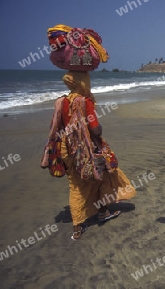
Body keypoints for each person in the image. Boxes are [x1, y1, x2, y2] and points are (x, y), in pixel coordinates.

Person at [46, 71, 136, 240]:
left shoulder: (61, 101)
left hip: (67, 148)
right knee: (101, 176)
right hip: (85, 148)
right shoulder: (85, 102)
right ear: (82, 83)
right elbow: (95, 129)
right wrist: (98, 127)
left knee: (76, 185)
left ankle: (78, 227)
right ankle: (102, 212)